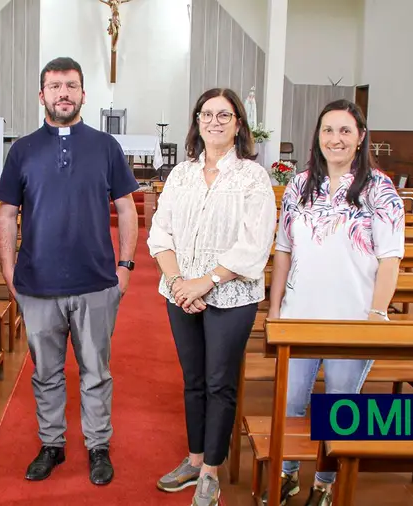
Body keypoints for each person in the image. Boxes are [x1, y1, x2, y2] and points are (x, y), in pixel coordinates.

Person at [0, 56, 139, 486]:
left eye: (71, 86)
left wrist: (126, 266)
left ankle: (98, 446)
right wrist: (7, 270)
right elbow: (7, 214)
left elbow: (127, 208)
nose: (63, 93)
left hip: (95, 282)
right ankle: (52, 445)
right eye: (54, 86)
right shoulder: (22, 149)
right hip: (38, 284)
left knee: (96, 371)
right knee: (46, 373)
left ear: (82, 94)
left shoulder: (105, 146)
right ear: (42, 94)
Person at [266, 99, 405, 506]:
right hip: (300, 315)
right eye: (328, 130)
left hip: (352, 317)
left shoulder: (379, 188)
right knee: (291, 402)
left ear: (361, 136)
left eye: (345, 130)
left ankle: (324, 483)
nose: (336, 138)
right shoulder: (299, 184)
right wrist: (275, 311)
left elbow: (389, 258)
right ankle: (289, 474)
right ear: (318, 136)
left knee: (340, 406)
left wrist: (378, 313)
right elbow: (284, 251)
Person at [148, 88, 277, 506]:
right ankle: (193, 458)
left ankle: (210, 472)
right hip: (181, 291)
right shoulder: (180, 174)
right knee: (193, 381)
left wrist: (205, 282)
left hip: (232, 295)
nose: (215, 121)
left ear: (239, 123)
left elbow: (254, 244)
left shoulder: (253, 177)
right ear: (197, 121)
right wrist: (180, 283)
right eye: (207, 114)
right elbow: (160, 233)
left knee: (220, 383)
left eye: (225, 115)